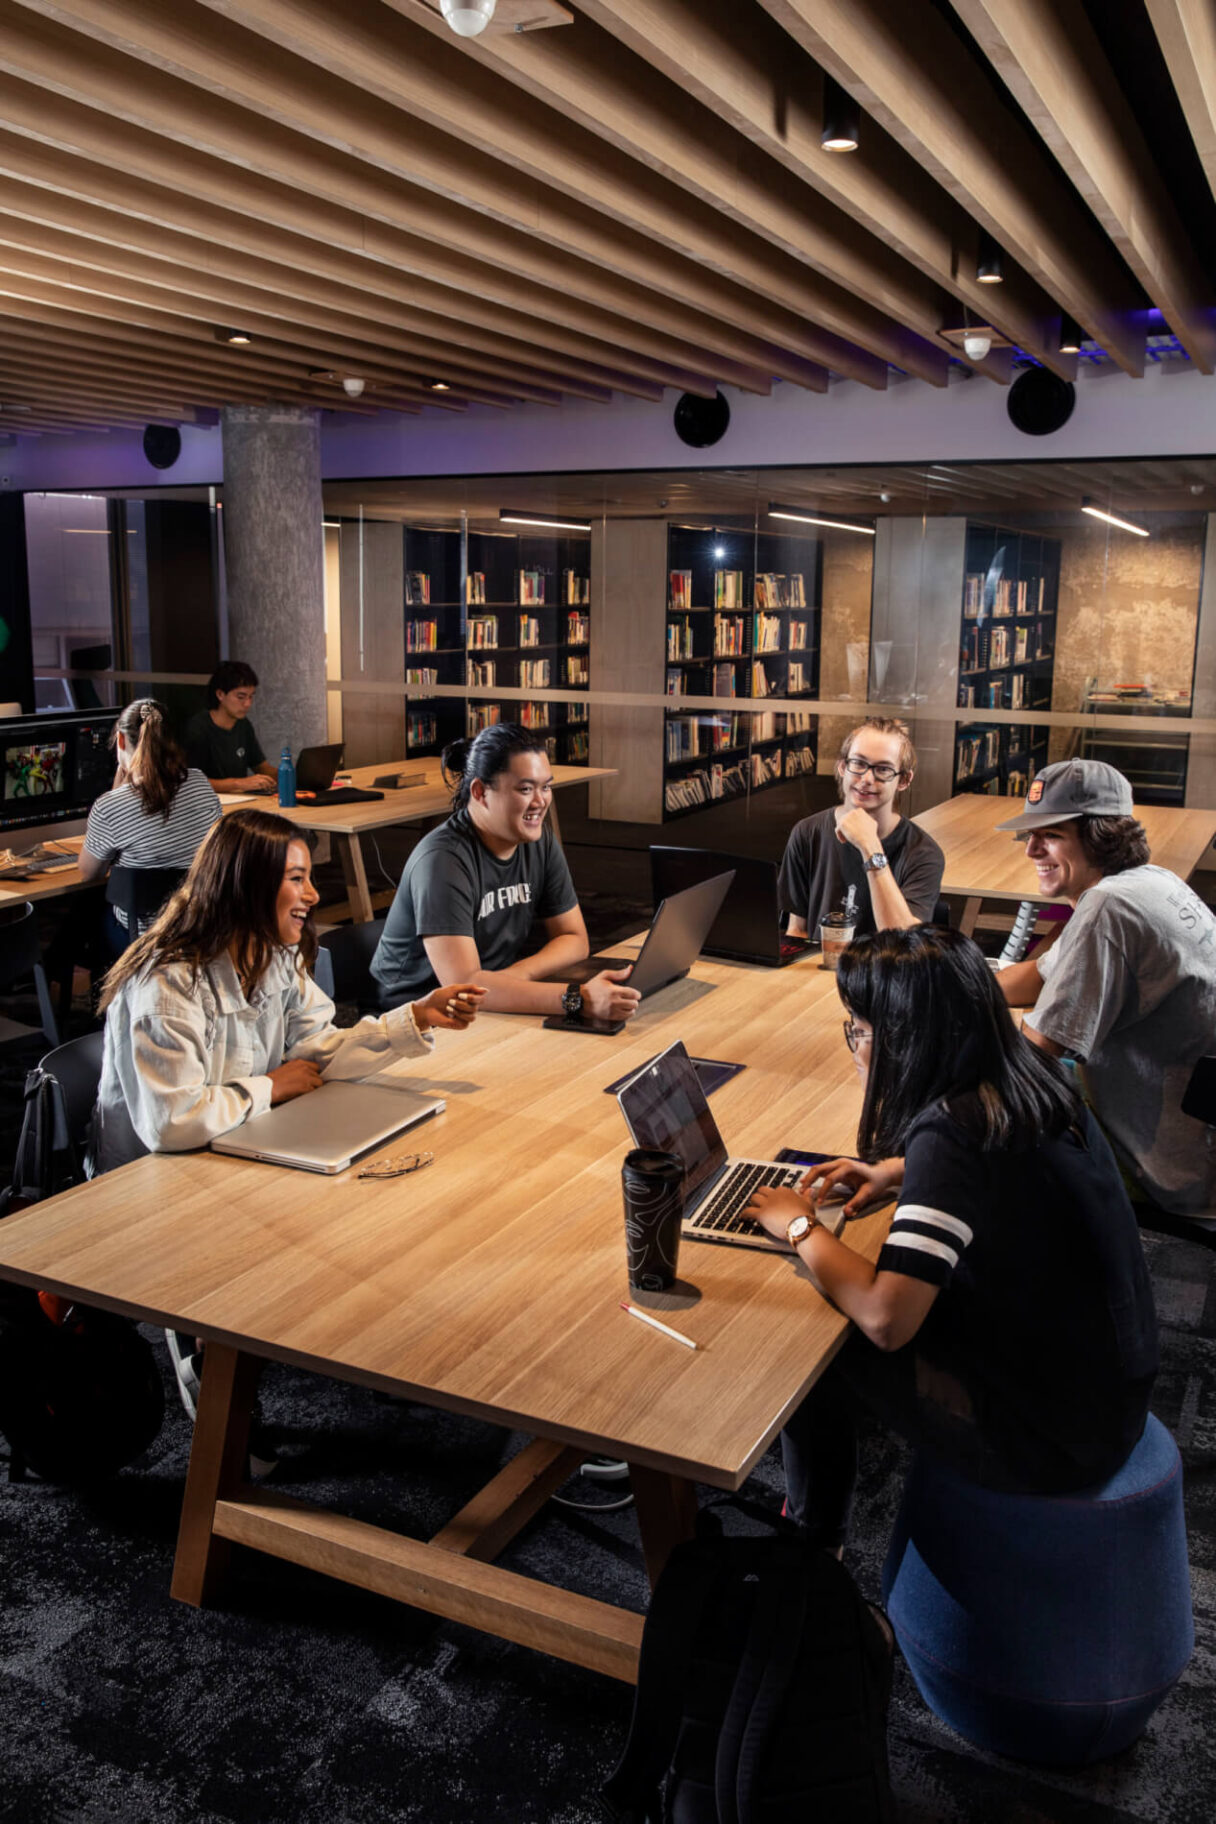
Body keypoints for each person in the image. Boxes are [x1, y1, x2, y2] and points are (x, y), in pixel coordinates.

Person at [744, 925, 1158, 1551]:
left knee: (813, 1343)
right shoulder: (1029, 1076)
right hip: (1106, 1382)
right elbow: (1005, 1170)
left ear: (905, 1040)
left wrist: (796, 1224)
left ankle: (810, 1543)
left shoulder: (951, 1131)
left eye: (858, 1028)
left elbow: (887, 1320)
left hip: (1051, 1439)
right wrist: (896, 1170)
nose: (854, 1045)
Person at [93, 807, 484, 1176]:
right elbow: (172, 1122)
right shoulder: (167, 983)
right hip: (151, 1177)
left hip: (235, 1146)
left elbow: (315, 1053)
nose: (313, 895)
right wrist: (271, 1086)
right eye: (297, 879)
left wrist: (413, 1017)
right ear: (247, 887)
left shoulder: (271, 953)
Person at [993, 759, 1216, 1228]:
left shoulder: (1107, 908)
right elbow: (1037, 976)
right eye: (1029, 836)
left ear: (1100, 835)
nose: (1031, 849)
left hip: (1167, 1170)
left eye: (1050, 834)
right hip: (1192, 1137)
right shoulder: (1151, 881)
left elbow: (1035, 1059)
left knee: (987, 1135)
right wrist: (949, 985)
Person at [370, 723, 641, 1024]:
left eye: (546, 786)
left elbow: (574, 938)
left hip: (490, 1003)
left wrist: (513, 977)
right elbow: (463, 989)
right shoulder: (442, 862)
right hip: (418, 1019)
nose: (540, 802)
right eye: (526, 789)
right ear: (480, 792)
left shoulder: (539, 841)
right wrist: (579, 998)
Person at [778, 716, 945, 942]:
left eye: (883, 769)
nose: (866, 778)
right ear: (841, 767)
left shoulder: (923, 852)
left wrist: (870, 846)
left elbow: (903, 944)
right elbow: (797, 930)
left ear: (904, 780)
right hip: (819, 971)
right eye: (858, 763)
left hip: (883, 975)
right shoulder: (808, 833)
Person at [77, 698, 222, 952]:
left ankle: (59, 981)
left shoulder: (111, 806)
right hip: (199, 927)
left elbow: (89, 873)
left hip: (141, 937)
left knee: (83, 911)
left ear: (121, 740)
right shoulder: (199, 783)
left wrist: (114, 794)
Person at [183, 660, 278, 795]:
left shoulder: (243, 725)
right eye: (241, 697)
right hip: (208, 804)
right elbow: (189, 782)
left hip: (241, 800)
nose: (247, 704)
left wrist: (288, 775)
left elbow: (261, 767)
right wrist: (238, 783)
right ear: (220, 694)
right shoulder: (198, 728)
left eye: (251, 697)